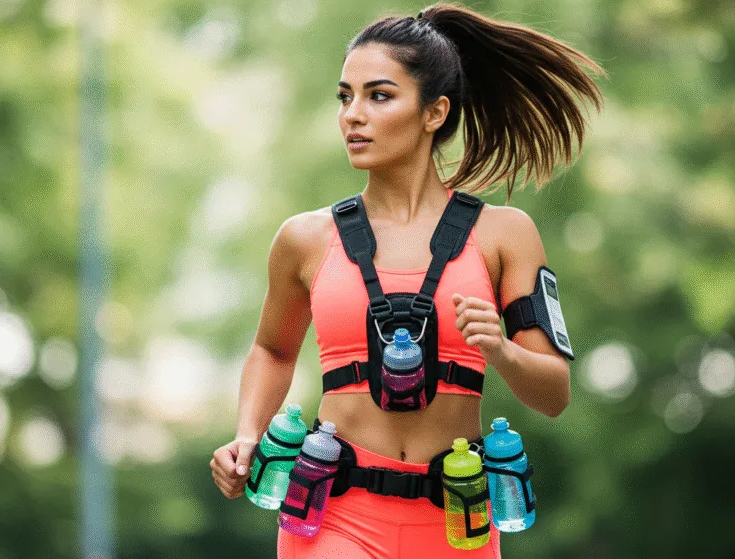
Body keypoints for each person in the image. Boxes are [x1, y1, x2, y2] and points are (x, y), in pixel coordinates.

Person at [210, 3, 604, 557]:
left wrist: (501, 349)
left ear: (434, 112)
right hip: (333, 519)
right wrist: (248, 435)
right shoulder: (305, 239)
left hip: (458, 523)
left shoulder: (505, 235)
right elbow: (273, 350)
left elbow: (554, 394)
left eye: (378, 96)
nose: (352, 115)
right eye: (345, 97)